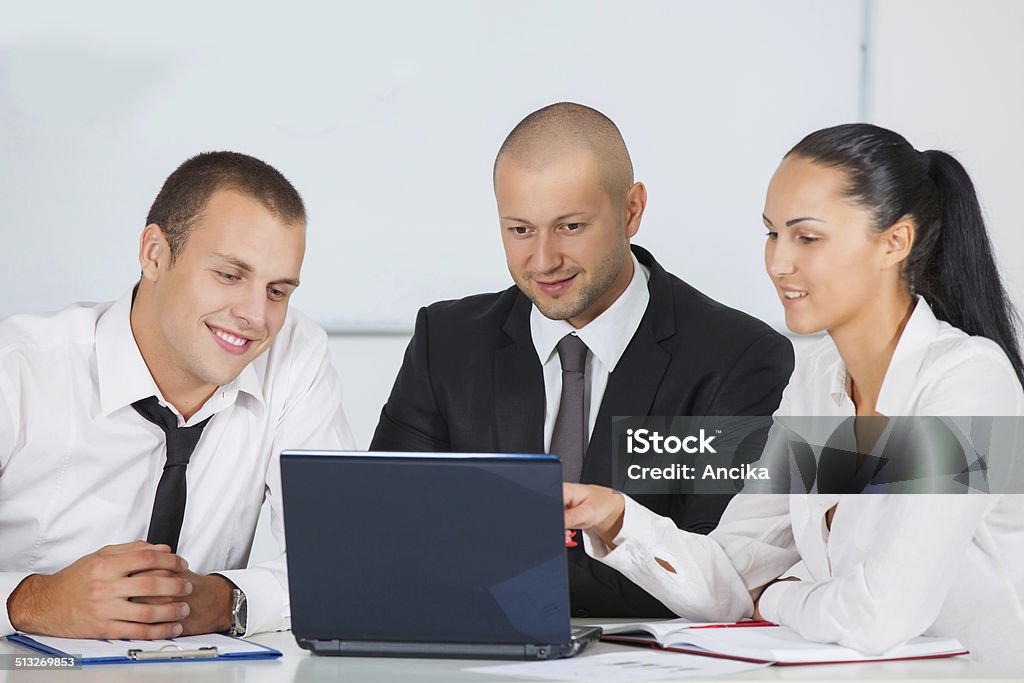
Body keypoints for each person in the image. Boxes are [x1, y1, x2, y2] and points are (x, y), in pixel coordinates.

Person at [563, 123, 1024, 662]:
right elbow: (732, 578)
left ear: (895, 242)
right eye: (771, 234)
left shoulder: (968, 380)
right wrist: (614, 516)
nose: (779, 263)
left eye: (807, 237)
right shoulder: (816, 382)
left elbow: (880, 617)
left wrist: (781, 596)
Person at [370, 102, 795, 617]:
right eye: (520, 230)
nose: (544, 260)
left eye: (570, 227)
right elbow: (388, 534)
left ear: (631, 211)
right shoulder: (446, 342)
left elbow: (715, 571)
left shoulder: (737, 357)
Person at [0, 152, 354, 639]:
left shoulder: (295, 356)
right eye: (230, 275)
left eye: (278, 291)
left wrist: (228, 600)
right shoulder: (18, 369)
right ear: (154, 254)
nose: (255, 314)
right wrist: (29, 600)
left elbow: (341, 564)